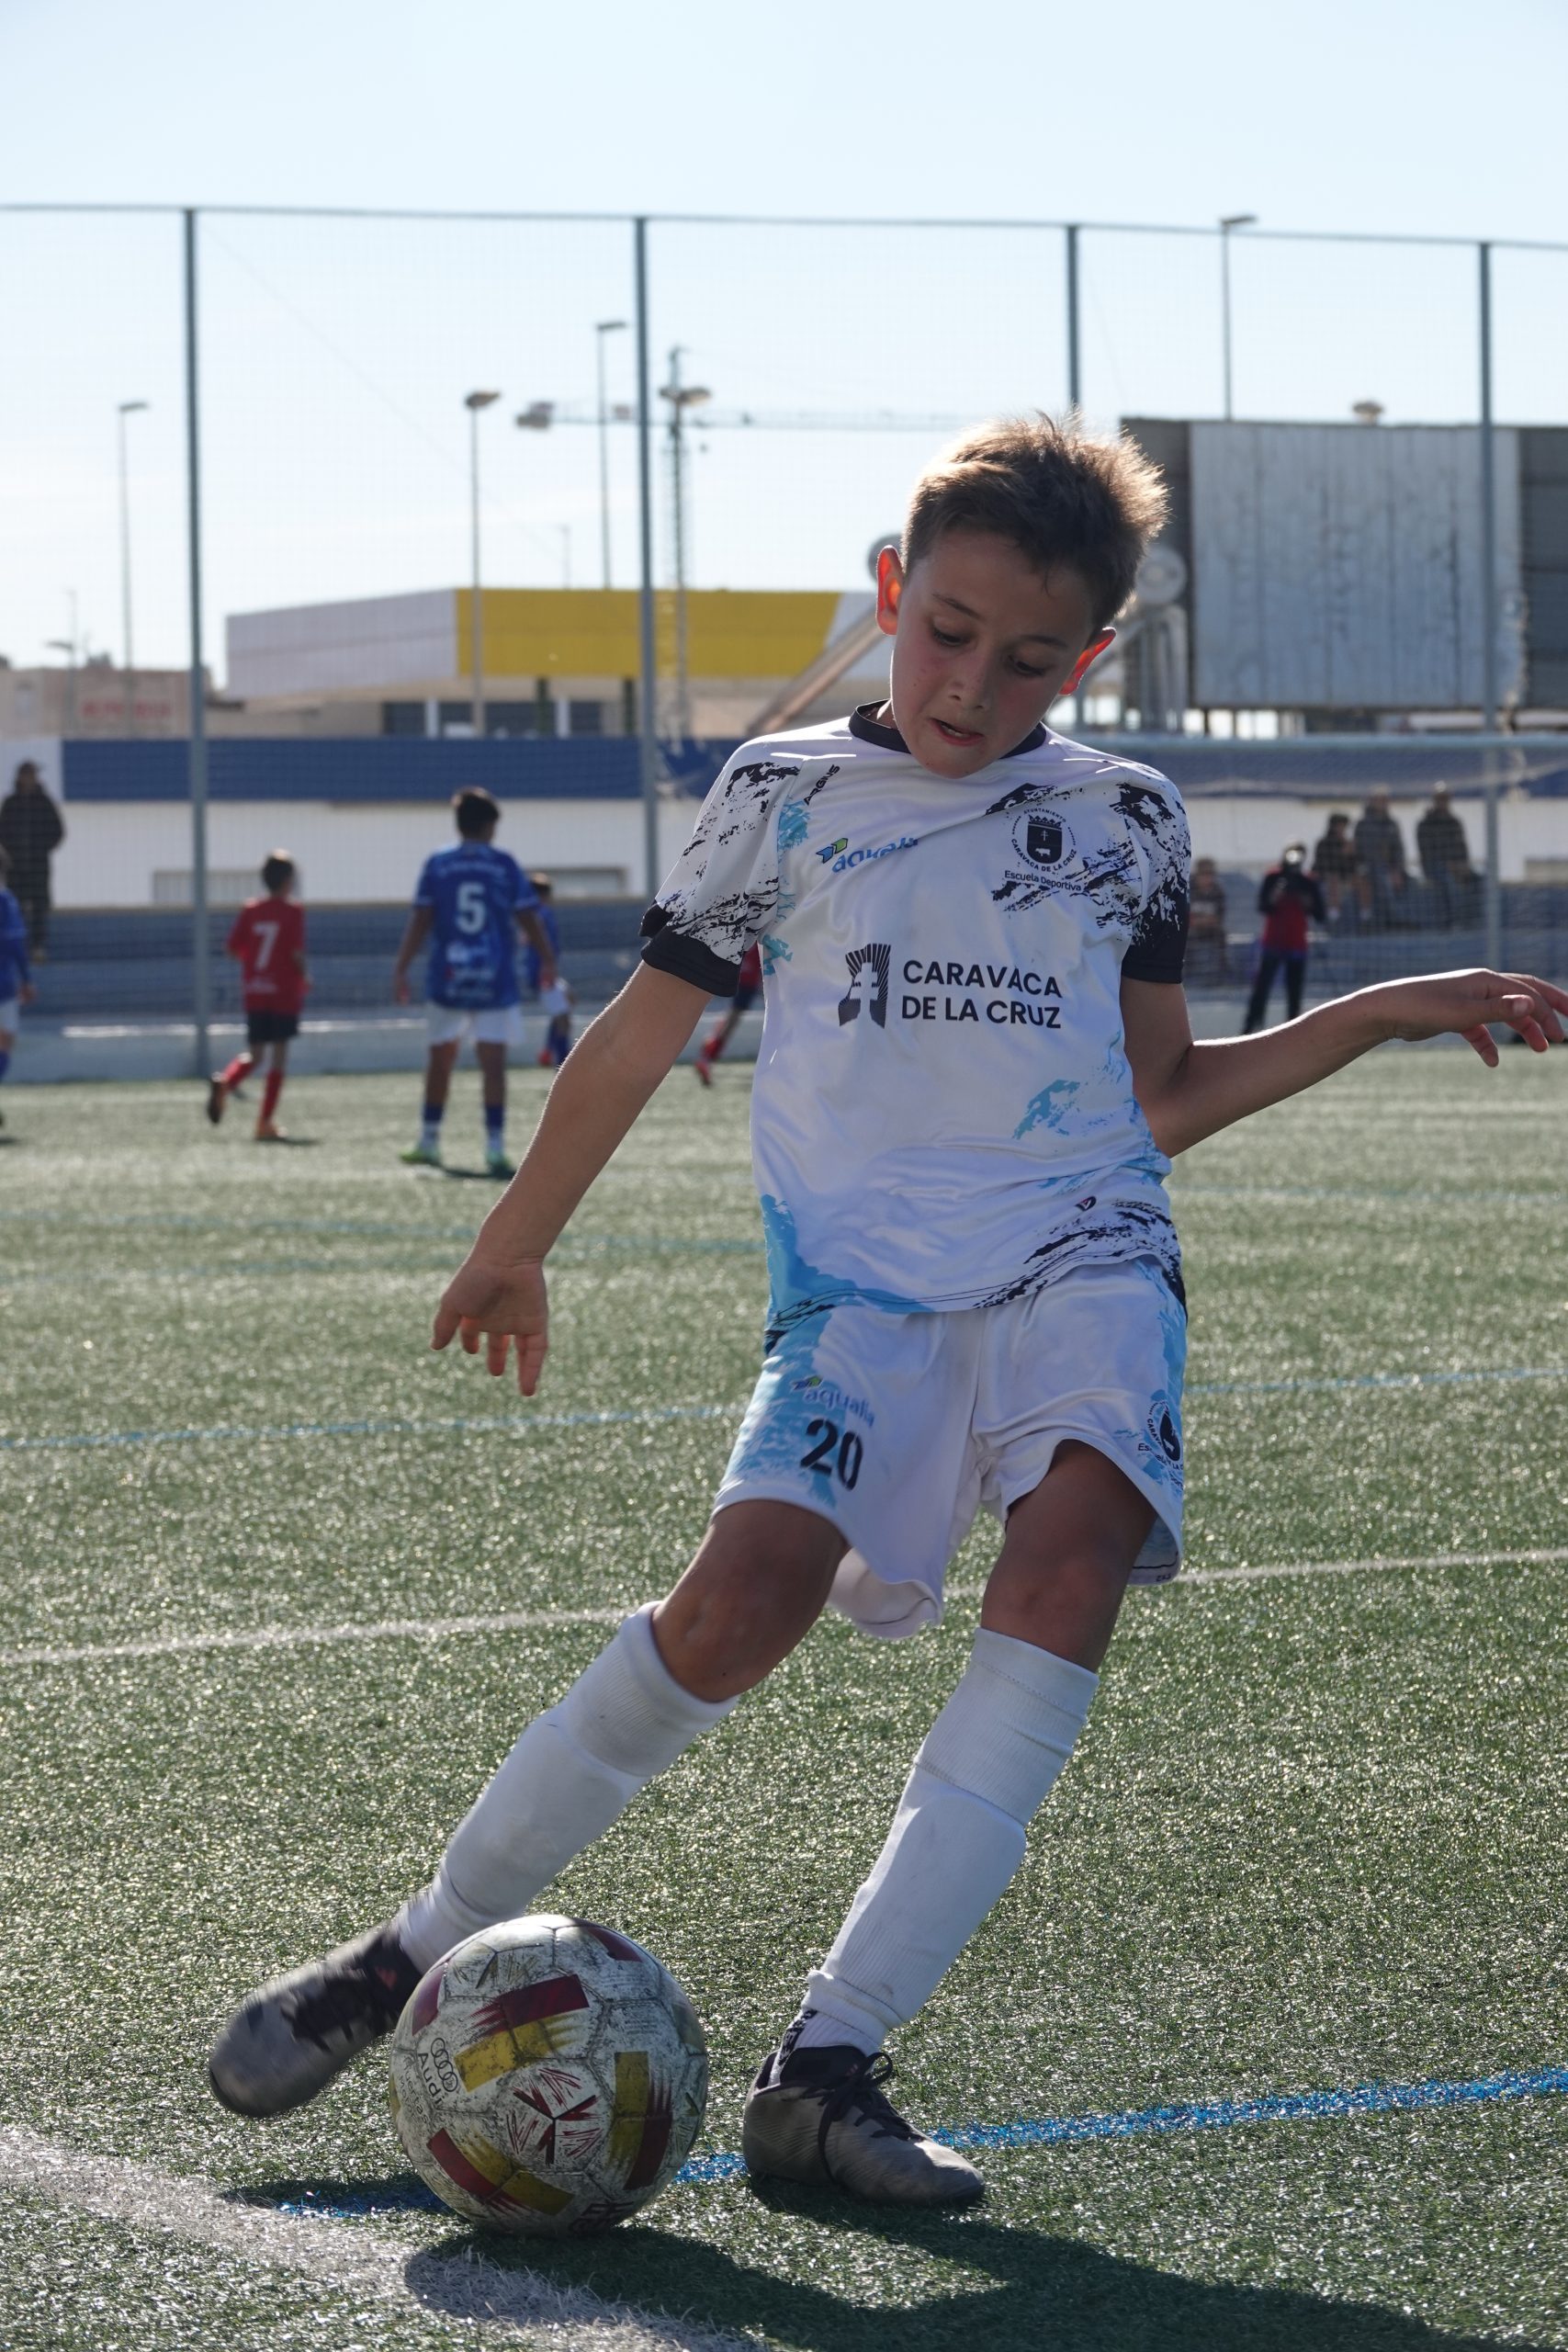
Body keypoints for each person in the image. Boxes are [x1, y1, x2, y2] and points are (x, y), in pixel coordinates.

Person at [209, 414, 1566, 2208]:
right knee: (736, 1607)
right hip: (856, 1295)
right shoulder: (779, 797)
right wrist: (515, 1239)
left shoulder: (1125, 820)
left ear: (1091, 656)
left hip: (1085, 1254)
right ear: (887, 592)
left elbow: (1158, 1095)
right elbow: (636, 1037)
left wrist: (1373, 1012)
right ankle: (407, 1952)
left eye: (1029, 658)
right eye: (945, 631)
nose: (971, 685)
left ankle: (829, 2061)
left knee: (1067, 1569)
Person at [393, 788, 558, 1177]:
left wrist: (401, 966)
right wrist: (548, 959)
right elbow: (528, 916)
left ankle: (429, 1140)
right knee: (493, 1064)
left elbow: (421, 919)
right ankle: (495, 1148)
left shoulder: (438, 863)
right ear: (488, 826)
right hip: (494, 976)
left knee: (440, 1059)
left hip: (448, 976)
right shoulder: (503, 864)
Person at [208, 852, 309, 1141]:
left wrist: (253, 964)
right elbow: (296, 953)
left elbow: (232, 948)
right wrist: (305, 977)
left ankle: (226, 1081)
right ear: (288, 881)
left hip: (255, 990)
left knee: (255, 1054)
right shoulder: (293, 911)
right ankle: (265, 1122)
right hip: (282, 992)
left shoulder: (251, 909)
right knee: (278, 1057)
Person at [1243, 843, 1325, 1031]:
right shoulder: (1273, 877)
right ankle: (1250, 1028)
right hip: (1273, 942)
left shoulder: (1308, 881)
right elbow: (1263, 906)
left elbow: (1320, 914)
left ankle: (1293, 1030)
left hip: (1297, 944)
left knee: (1294, 992)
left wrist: (1304, 898)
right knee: (1261, 989)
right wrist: (1278, 892)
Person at [0, 761, 65, 960]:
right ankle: (16, 947)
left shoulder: (44, 803)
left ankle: (37, 947)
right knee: (15, 908)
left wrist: (41, 849)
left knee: (39, 907)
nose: (31, 779)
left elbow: (58, 831)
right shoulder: (11, 803)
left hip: (38, 866)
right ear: (20, 777)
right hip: (16, 867)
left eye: (34, 775)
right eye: (28, 775)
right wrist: (10, 853)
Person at [694, 940, 763, 1081]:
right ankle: (708, 1053)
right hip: (748, 977)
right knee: (733, 1018)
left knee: (732, 1016)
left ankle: (709, 1052)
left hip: (743, 975)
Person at [0, 845, 35, 1128]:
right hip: (2, 984)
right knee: (5, 1040)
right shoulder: (4, 900)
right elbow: (14, 941)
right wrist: (27, 978)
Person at [525, 874, 574, 1069]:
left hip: (546, 970)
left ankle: (548, 1050)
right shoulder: (539, 913)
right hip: (542, 972)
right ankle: (562, 1063)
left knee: (569, 1000)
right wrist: (545, 967)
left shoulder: (536, 913)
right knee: (562, 1017)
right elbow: (532, 940)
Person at [1416, 789, 1475, 930]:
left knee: (1479, 879)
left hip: (1457, 866)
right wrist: (1448, 864)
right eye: (1440, 799)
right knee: (1450, 883)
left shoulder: (1455, 822)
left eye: (1445, 799)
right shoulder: (1425, 824)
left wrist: (1463, 865)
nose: (1443, 802)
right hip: (1434, 868)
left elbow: (1462, 848)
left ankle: (1477, 922)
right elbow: (1427, 852)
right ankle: (1454, 923)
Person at [1353, 792, 1406, 929]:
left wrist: (1397, 870)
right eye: (1379, 800)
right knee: (1381, 880)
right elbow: (1360, 851)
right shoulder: (1363, 824)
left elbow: (1399, 849)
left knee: (1403, 881)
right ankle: (1387, 921)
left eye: (1385, 800)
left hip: (1390, 868)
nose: (1383, 803)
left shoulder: (1392, 823)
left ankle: (1397, 918)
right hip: (1368, 867)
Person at [1185, 857, 1227, 986]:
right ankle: (1186, 972)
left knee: (1221, 935)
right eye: (1204, 874)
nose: (1207, 878)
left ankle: (1222, 972)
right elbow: (1184, 916)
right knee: (1186, 938)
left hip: (1210, 929)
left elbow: (1219, 917)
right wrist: (1200, 920)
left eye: (1210, 874)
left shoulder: (1218, 891)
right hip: (1190, 930)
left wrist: (1202, 920)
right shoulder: (1188, 889)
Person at [1311, 812, 1357, 928]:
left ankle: (1366, 917)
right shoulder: (1323, 843)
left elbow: (1354, 867)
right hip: (1326, 880)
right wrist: (1342, 854)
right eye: (1339, 825)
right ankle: (1333, 918)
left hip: (1346, 880)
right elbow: (1325, 866)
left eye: (1344, 826)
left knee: (1363, 880)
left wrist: (1351, 855)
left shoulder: (1348, 844)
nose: (1342, 829)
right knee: (1334, 879)